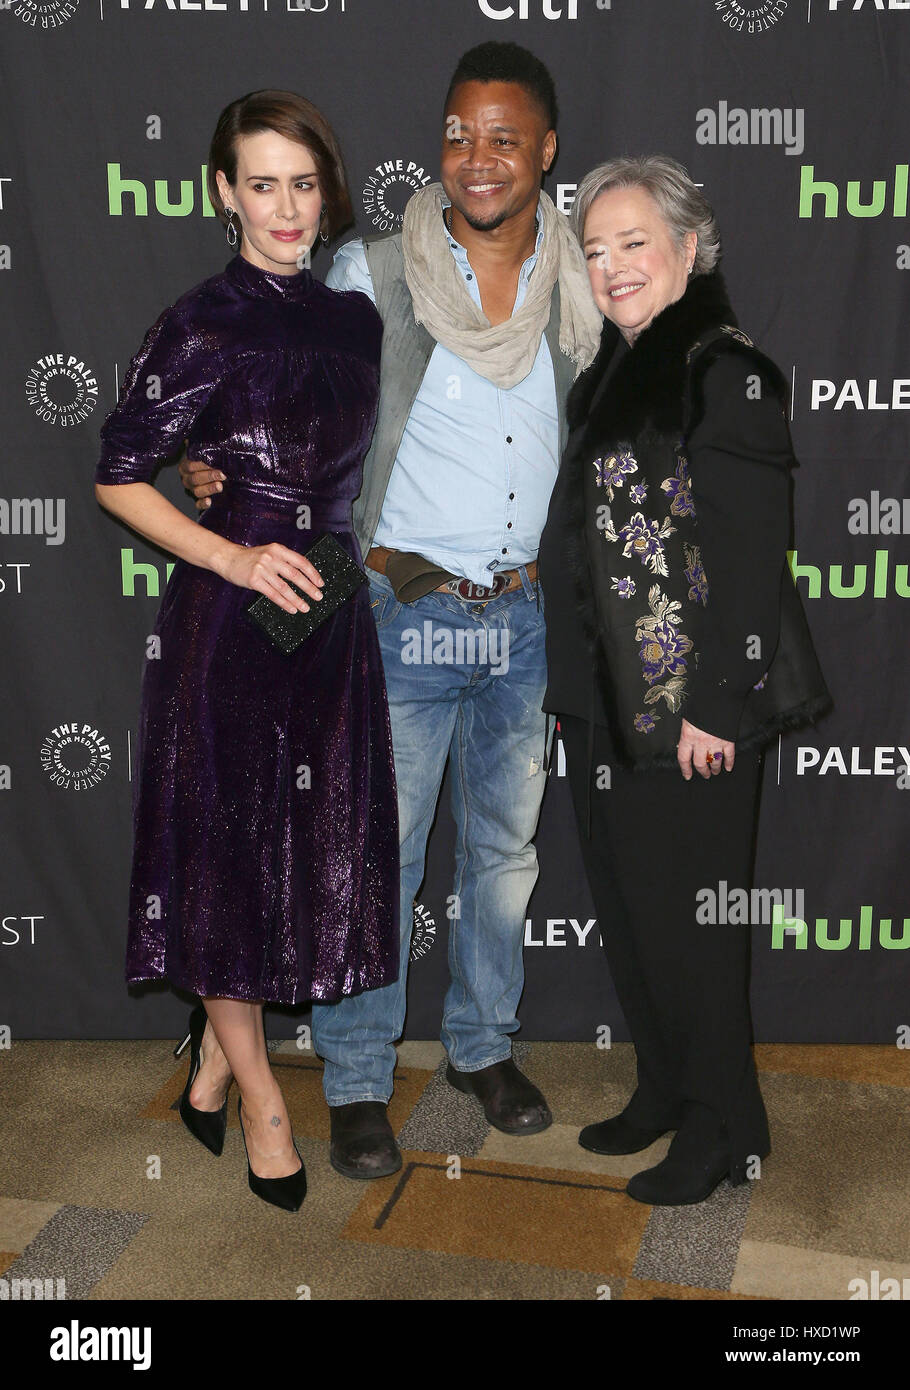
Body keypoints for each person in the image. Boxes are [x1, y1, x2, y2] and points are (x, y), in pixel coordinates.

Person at [179, 43, 603, 1180]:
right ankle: (360, 1078)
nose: (475, 158)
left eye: (503, 136)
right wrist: (217, 464)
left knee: (505, 857)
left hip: (521, 621)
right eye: (458, 133)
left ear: (545, 152)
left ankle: (480, 1048)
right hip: (402, 611)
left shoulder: (580, 278)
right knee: (382, 853)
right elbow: (278, 370)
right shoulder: (375, 269)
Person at [94, 90, 400, 1212]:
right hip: (227, 627)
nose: (285, 208)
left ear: (328, 192)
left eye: (304, 183)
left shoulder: (357, 321)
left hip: (328, 627)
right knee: (226, 863)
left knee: (308, 848)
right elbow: (119, 471)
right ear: (223, 192)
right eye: (261, 183)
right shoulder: (200, 321)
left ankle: (215, 1054)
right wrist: (227, 553)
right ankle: (266, 1095)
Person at [537, 155, 831, 1205]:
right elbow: (588, 550)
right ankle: (665, 1086)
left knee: (693, 931)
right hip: (605, 710)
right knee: (633, 916)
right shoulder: (608, 373)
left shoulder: (721, 370)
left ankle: (726, 1127)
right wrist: (572, 696)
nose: (612, 266)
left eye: (633, 244)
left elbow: (752, 565)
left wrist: (715, 705)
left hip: (694, 715)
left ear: (687, 249)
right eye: (595, 248)